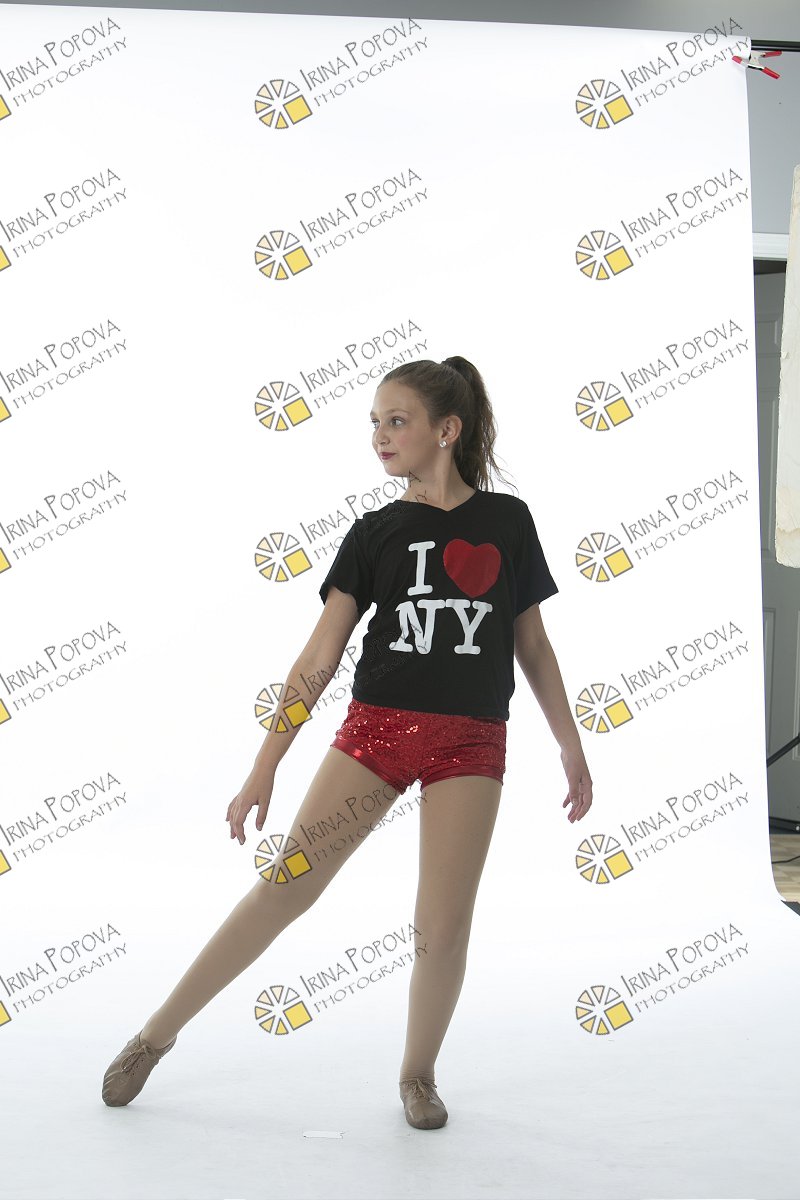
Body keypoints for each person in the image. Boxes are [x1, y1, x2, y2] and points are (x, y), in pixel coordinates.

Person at [101, 356, 593, 1128]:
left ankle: (418, 1075)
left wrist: (570, 743)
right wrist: (264, 765)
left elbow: (531, 643)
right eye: (374, 423)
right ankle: (153, 1037)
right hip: (378, 733)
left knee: (443, 927)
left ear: (447, 430)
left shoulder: (507, 523)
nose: (379, 436)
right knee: (285, 888)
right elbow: (318, 659)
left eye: (396, 421)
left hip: (472, 742)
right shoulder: (376, 533)